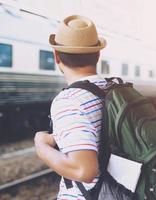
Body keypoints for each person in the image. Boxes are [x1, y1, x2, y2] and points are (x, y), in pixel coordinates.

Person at [34, 15, 107, 200]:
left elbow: (84, 170)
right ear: (97, 55)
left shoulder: (69, 100)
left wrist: (41, 146)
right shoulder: (110, 88)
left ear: (56, 56)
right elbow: (97, 132)